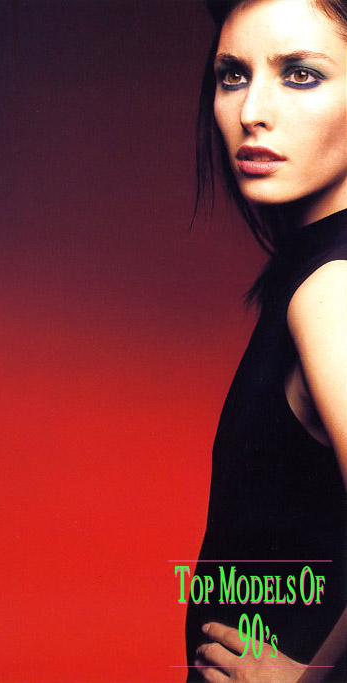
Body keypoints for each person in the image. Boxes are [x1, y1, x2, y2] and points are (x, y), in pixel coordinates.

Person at [185, 0, 347, 681]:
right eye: (233, 75)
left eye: (301, 74)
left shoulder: (331, 289)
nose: (251, 110)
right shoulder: (316, 275)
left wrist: (311, 678)